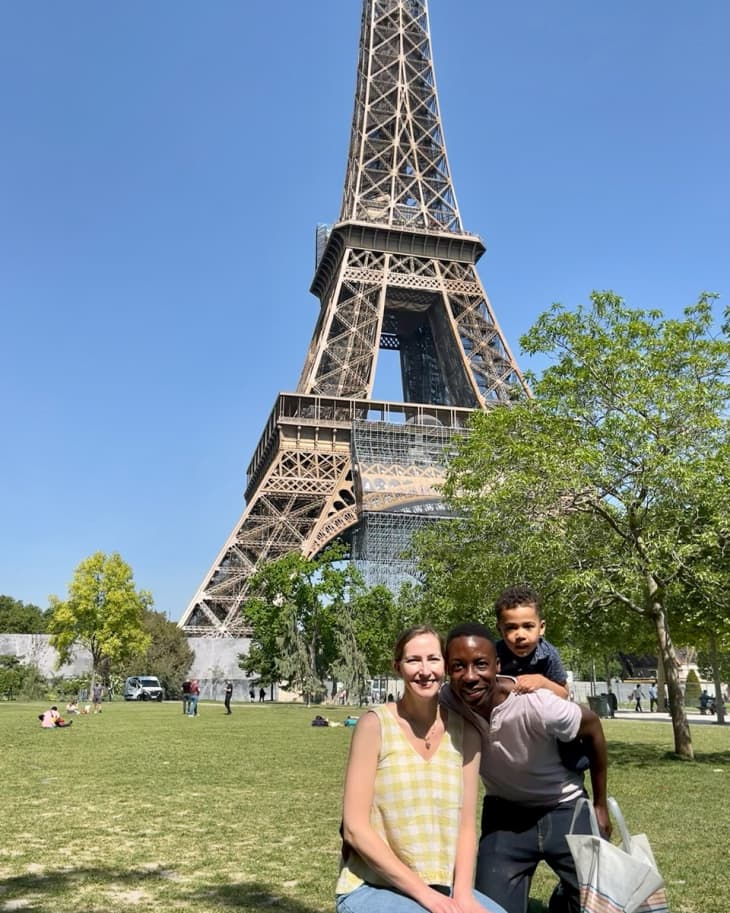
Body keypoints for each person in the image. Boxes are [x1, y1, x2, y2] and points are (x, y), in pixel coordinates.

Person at [336, 624, 506, 913]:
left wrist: (463, 896)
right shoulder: (374, 726)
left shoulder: (467, 735)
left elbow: (466, 826)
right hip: (372, 886)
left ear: (445, 666)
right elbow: (355, 829)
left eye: (433, 659)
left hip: (443, 887)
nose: (424, 671)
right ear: (397, 667)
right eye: (413, 660)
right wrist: (425, 896)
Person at [441, 622, 609, 913]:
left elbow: (592, 725)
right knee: (490, 909)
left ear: (497, 665)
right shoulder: (448, 700)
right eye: (458, 666)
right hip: (506, 817)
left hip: (565, 808)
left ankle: (567, 896)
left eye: (480, 664)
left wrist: (600, 804)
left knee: (602, 906)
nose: (469, 676)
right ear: (448, 670)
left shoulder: (536, 704)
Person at [494, 586, 568, 698]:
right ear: (500, 630)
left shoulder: (548, 655)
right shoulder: (493, 654)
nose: (520, 635)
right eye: (511, 628)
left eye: (528, 626)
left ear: (541, 628)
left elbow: (564, 693)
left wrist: (542, 682)